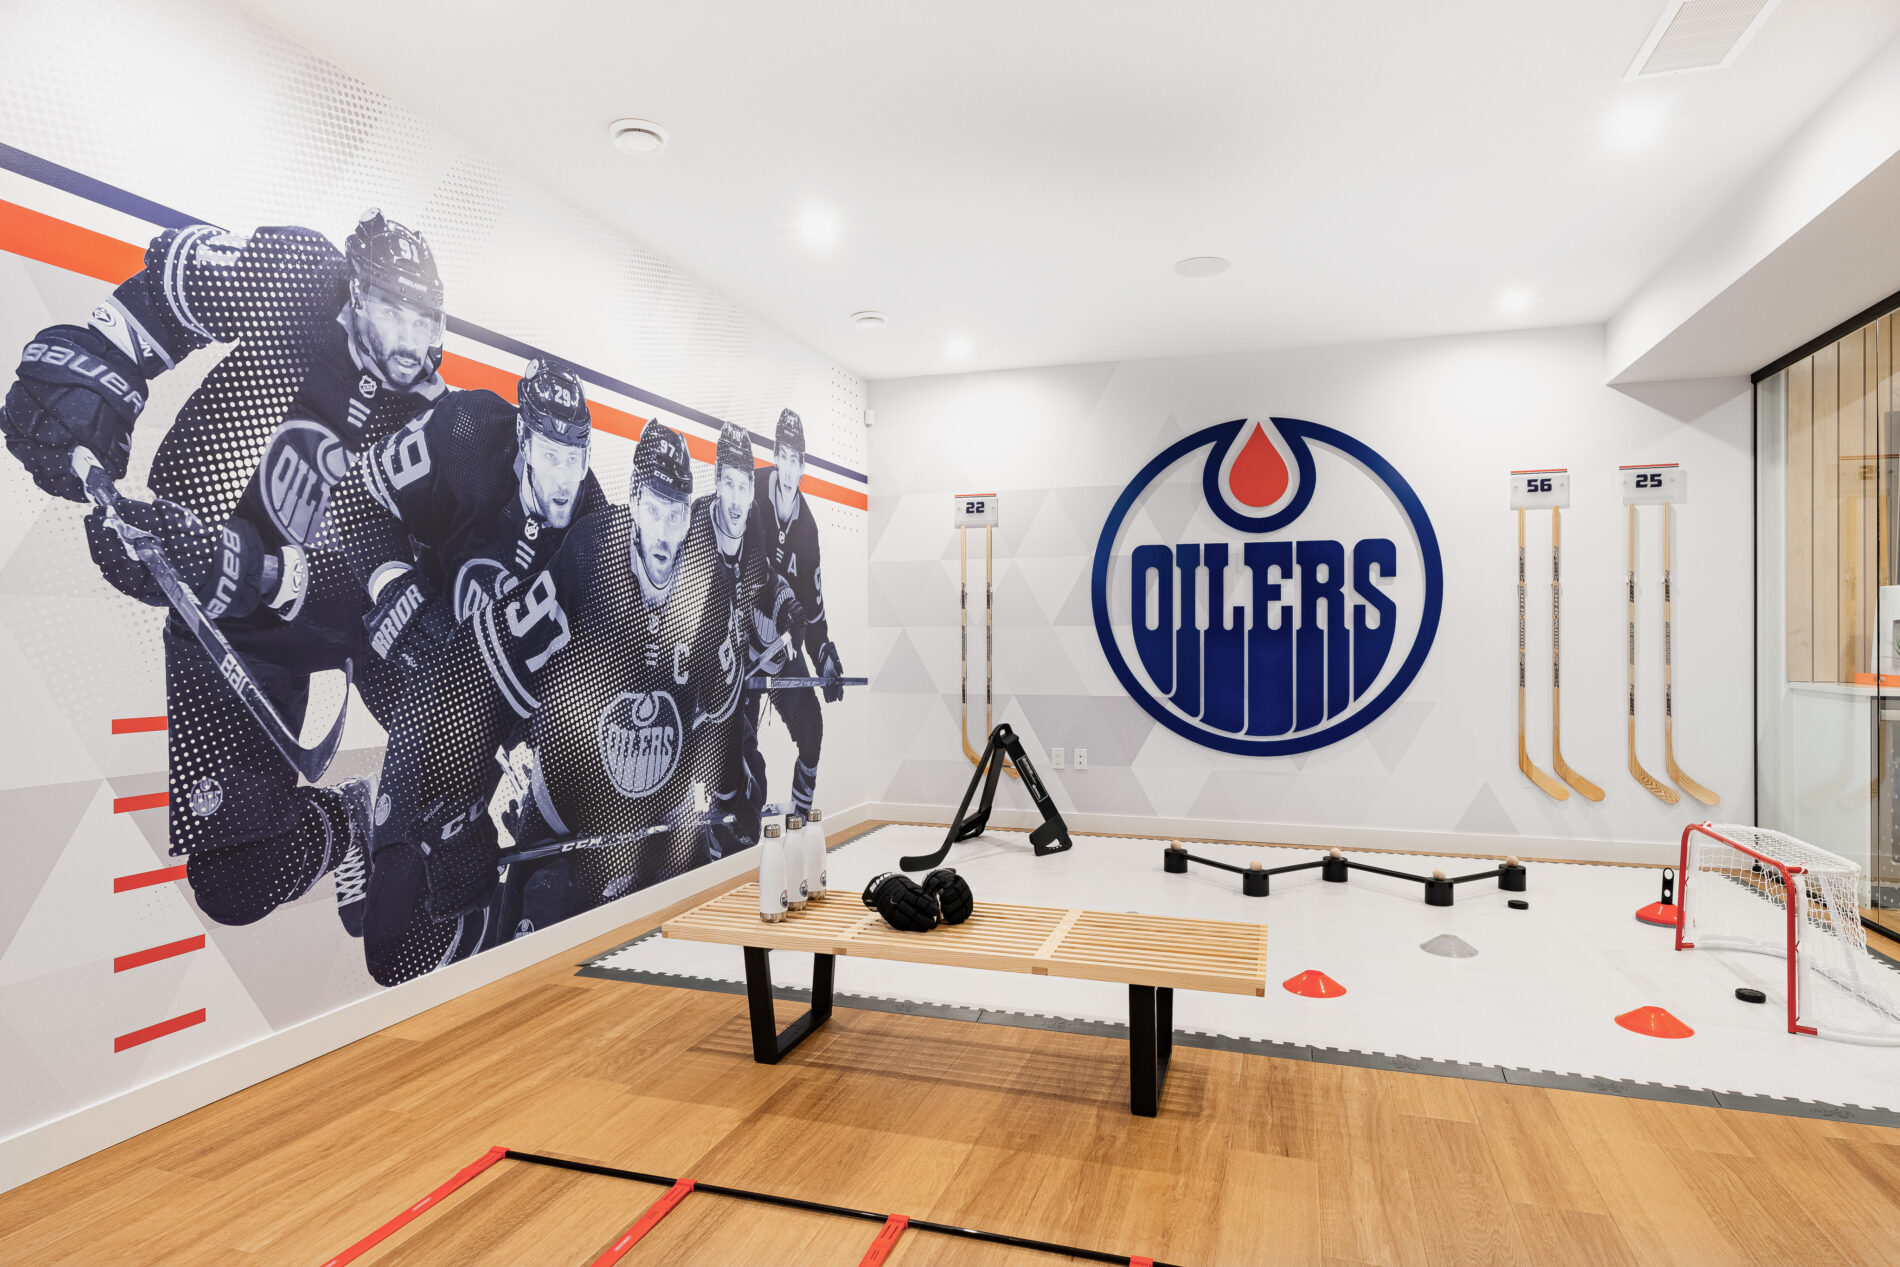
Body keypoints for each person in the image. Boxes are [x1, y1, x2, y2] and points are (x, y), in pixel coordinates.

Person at [0, 210, 447, 933]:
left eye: (424, 319)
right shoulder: (295, 278)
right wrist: (97, 362)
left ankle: (420, 820)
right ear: (355, 292)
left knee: (450, 704)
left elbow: (387, 586)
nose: (410, 340)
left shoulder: (431, 423)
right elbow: (161, 300)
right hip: (219, 621)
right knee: (233, 884)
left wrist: (250, 570)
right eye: (394, 310)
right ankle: (352, 813)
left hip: (312, 621)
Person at [330, 359, 604, 981]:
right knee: (387, 942)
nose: (565, 478)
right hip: (413, 671)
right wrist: (393, 587)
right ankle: (363, 826)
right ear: (525, 438)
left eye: (577, 457)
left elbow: (582, 679)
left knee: (391, 935)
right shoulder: (466, 433)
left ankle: (385, 842)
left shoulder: (592, 531)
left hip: (485, 726)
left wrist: (535, 754)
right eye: (552, 455)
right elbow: (352, 496)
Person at [739, 408, 845, 819]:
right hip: (739, 644)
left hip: (780, 649)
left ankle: (800, 821)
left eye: (796, 459)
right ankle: (738, 833)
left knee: (812, 730)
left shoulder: (808, 531)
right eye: (783, 455)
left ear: (804, 464)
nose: (788, 467)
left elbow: (814, 613)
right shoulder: (750, 494)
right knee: (742, 754)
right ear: (776, 454)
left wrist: (826, 657)